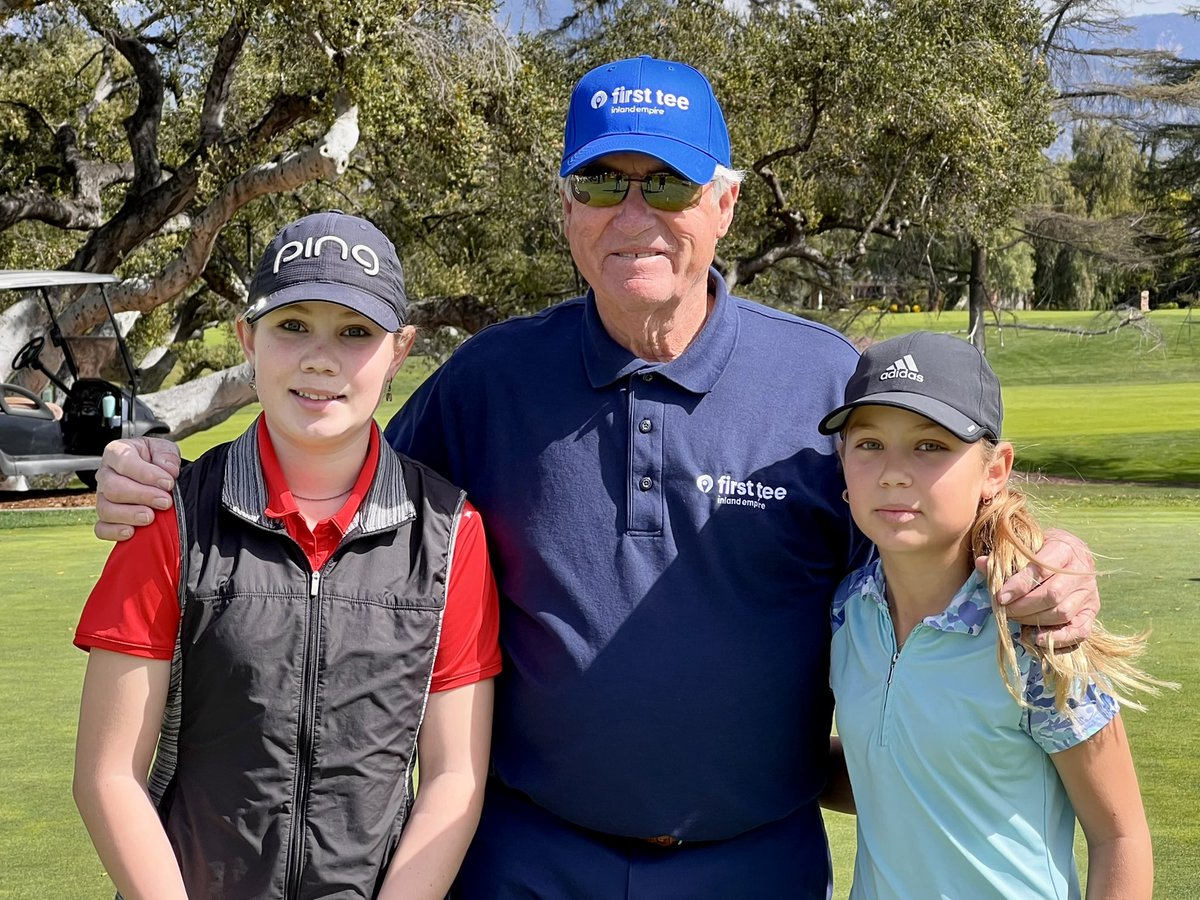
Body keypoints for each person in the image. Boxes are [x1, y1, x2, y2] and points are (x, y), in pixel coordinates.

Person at [91, 58, 1100, 898]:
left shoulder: (822, 383)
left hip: (755, 863)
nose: (635, 213)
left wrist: (1052, 561)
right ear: (566, 206)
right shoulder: (489, 381)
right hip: (525, 858)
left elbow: (937, 541)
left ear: (725, 203)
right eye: (604, 183)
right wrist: (163, 474)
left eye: (668, 184)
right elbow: (333, 465)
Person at [73, 211, 501, 900]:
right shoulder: (168, 515)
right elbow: (107, 775)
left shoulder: (452, 533)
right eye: (293, 325)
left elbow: (454, 778)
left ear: (400, 350)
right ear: (248, 338)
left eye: (355, 332)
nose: (320, 359)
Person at [821, 331, 1164, 899]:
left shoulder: (1033, 633)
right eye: (870, 443)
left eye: (930, 446)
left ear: (995, 471)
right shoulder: (846, 613)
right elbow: (895, 774)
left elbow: (1120, 837)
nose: (893, 472)